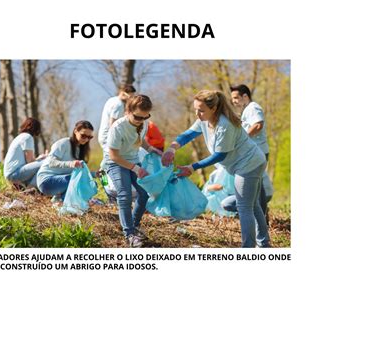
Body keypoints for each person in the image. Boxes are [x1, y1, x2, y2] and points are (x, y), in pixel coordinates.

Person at [161, 90, 270, 248]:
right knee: (253, 205)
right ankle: (264, 244)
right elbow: (188, 135)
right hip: (249, 162)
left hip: (249, 164)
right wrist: (172, 149)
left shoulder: (225, 125)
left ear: (214, 108)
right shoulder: (204, 119)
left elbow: (220, 155)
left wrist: (193, 167)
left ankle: (248, 249)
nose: (198, 114)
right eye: (196, 109)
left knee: (244, 207)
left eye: (201, 110)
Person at [105, 94, 162, 247]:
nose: (141, 120)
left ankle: (134, 225)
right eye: (137, 117)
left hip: (133, 160)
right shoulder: (118, 127)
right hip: (115, 163)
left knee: (144, 194)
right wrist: (136, 168)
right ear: (128, 111)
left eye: (145, 116)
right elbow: (114, 156)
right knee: (125, 195)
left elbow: (140, 138)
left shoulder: (143, 123)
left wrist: (151, 149)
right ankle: (129, 234)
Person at [231, 84, 270, 218]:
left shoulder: (253, 107)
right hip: (255, 153)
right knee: (257, 186)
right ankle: (262, 218)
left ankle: (263, 218)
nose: (234, 101)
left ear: (245, 96)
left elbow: (258, 125)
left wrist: (244, 139)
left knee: (258, 187)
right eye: (232, 99)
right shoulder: (247, 110)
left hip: (259, 151)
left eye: (236, 97)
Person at [36, 120, 94, 202]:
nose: (86, 139)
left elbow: (81, 173)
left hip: (61, 181)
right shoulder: (63, 143)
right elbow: (51, 162)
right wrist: (71, 164)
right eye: (83, 135)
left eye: (89, 137)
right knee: (79, 181)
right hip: (46, 181)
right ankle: (63, 203)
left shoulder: (79, 150)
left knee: (87, 181)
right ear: (75, 131)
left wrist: (96, 174)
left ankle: (59, 201)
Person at [3, 117, 47, 188]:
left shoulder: (20, 137)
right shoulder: (28, 137)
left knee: (43, 162)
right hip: (14, 174)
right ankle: (30, 188)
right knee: (46, 162)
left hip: (11, 174)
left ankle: (26, 186)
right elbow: (29, 161)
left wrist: (39, 158)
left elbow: (28, 161)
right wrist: (41, 158)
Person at [98, 84, 136, 150]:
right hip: (108, 138)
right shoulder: (118, 105)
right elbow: (113, 125)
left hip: (103, 136)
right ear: (123, 94)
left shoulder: (112, 100)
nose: (130, 99)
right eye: (130, 97)